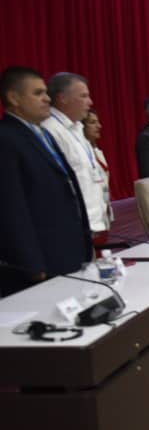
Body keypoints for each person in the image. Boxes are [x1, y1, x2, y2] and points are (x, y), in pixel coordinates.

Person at [0, 66, 92, 296]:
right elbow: (11, 208)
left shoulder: (43, 134)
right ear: (14, 98)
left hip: (67, 250)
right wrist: (31, 263)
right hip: (41, 260)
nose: (47, 99)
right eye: (38, 93)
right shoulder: (6, 139)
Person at [42, 72, 109, 236]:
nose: (90, 102)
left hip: (92, 223)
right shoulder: (50, 130)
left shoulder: (78, 128)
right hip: (73, 227)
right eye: (83, 96)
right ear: (63, 98)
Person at [82, 109, 113, 247]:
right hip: (92, 215)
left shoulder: (96, 151)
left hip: (103, 210)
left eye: (98, 122)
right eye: (92, 122)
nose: (99, 126)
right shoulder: (81, 153)